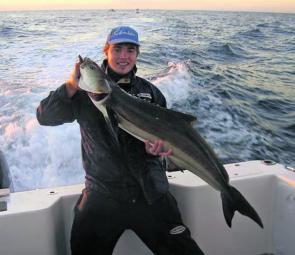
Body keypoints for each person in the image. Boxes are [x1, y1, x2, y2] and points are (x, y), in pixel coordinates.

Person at [37, 26, 204, 255]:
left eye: (130, 50)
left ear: (137, 54)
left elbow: (167, 140)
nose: (123, 56)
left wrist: (160, 150)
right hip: (102, 193)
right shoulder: (81, 94)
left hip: (151, 192)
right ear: (106, 51)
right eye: (117, 49)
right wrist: (71, 85)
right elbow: (44, 116)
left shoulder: (151, 93)